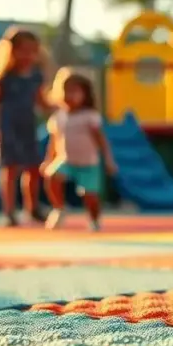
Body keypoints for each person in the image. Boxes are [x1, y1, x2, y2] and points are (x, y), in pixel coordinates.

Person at [0, 27, 52, 226]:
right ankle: (9, 211)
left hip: (28, 127)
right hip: (8, 129)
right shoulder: (3, 76)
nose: (27, 56)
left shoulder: (35, 76)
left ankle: (32, 207)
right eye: (23, 50)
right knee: (10, 169)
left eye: (32, 51)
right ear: (11, 51)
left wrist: (56, 109)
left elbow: (41, 101)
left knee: (33, 168)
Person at [41, 68, 117, 231]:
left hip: (88, 163)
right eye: (66, 91)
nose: (69, 95)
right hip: (66, 160)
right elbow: (54, 141)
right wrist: (49, 160)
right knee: (52, 176)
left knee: (90, 195)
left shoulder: (90, 116)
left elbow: (101, 141)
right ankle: (59, 208)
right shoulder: (58, 117)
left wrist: (108, 160)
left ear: (85, 94)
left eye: (75, 91)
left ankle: (94, 219)